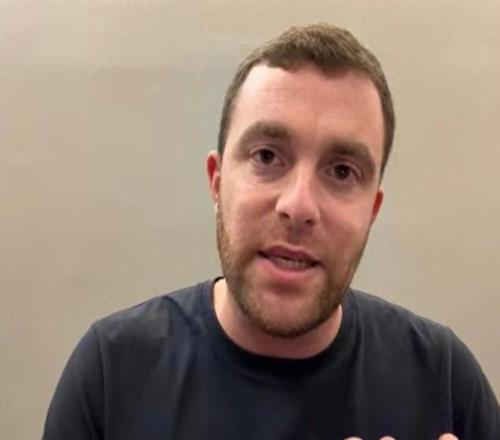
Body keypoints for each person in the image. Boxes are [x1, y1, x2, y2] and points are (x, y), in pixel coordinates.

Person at [43, 23, 499, 440]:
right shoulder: (112, 374)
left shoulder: (444, 382)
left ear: (372, 211)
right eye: (266, 156)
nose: (298, 206)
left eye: (342, 171)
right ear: (217, 182)